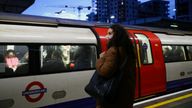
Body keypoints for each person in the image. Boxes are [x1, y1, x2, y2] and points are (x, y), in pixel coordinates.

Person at [95, 24, 136, 108]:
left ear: (117, 35)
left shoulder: (113, 51)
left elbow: (104, 72)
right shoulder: (128, 50)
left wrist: (101, 59)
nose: (107, 36)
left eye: (110, 34)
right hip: (125, 93)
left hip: (114, 96)